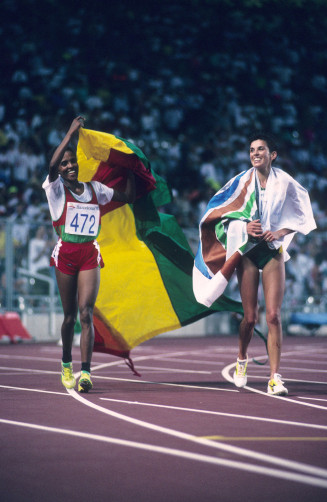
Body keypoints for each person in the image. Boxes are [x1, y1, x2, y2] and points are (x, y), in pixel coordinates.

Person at [42, 116, 135, 393]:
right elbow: (49, 166)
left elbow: (127, 196)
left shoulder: (96, 189)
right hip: (66, 254)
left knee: (86, 313)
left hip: (89, 254)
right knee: (69, 316)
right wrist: (70, 132)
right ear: (59, 169)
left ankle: (85, 372)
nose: (69, 165)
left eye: (72, 162)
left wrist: (129, 168)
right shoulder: (55, 190)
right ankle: (66, 364)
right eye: (64, 163)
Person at [232, 133, 316, 395]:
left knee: (274, 316)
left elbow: (304, 214)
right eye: (251, 150)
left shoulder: (286, 182)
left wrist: (280, 232)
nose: (255, 153)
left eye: (261, 149)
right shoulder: (240, 182)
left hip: (272, 251)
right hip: (247, 251)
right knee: (250, 317)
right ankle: (242, 358)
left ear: (272, 155)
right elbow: (222, 214)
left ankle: (275, 377)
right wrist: (244, 225)